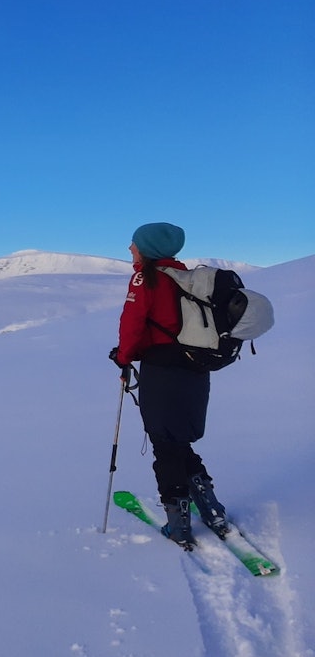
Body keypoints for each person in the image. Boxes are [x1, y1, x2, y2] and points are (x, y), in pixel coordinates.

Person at [110, 222, 229, 549]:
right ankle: (212, 510)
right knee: (178, 442)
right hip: (194, 369)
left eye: (133, 244)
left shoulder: (145, 279)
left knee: (165, 444)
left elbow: (131, 325)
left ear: (147, 249)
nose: (130, 249)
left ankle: (179, 525)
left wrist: (123, 357)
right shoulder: (188, 277)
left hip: (162, 371)